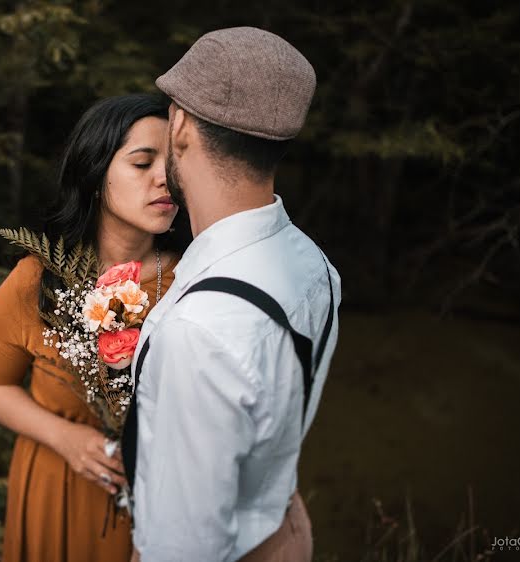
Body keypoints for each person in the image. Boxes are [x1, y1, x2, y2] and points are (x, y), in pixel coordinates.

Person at [123, 28, 342, 561]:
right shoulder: (315, 265)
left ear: (179, 125)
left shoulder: (198, 333)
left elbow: (184, 546)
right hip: (282, 527)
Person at [0, 93, 190, 562]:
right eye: (142, 163)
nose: (164, 179)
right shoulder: (37, 281)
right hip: (58, 486)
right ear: (94, 175)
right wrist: (63, 437)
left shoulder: (195, 281)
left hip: (166, 505)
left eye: (174, 163)